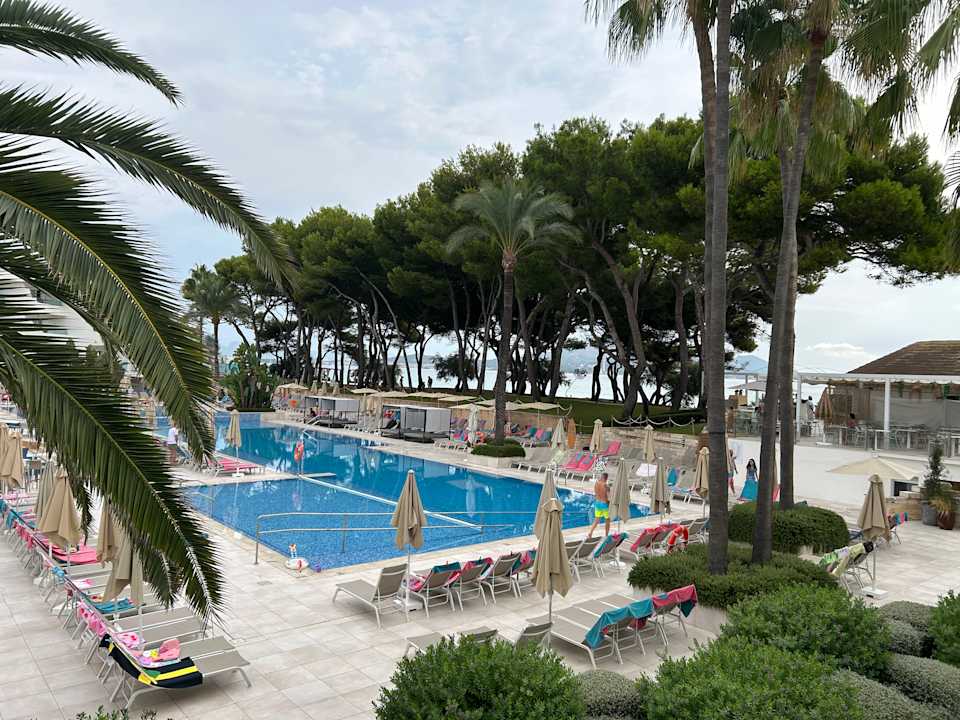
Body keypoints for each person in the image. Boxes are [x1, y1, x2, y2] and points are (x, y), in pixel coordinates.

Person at [586, 472, 611, 539]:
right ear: (606, 478)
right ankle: (606, 535)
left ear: (601, 477)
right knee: (607, 520)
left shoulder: (596, 483)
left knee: (596, 520)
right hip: (604, 504)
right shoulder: (606, 486)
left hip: (597, 503)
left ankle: (590, 533)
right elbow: (608, 497)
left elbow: (595, 493)